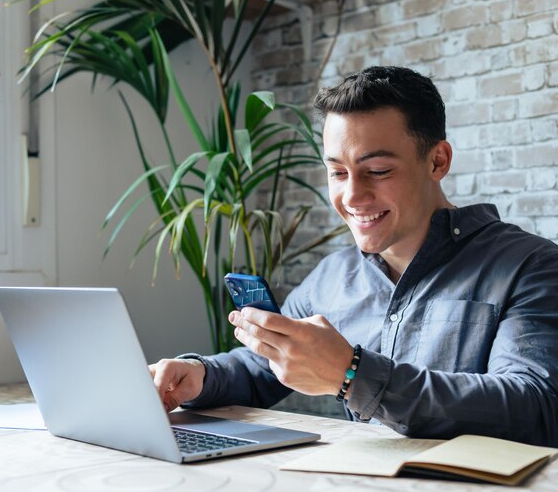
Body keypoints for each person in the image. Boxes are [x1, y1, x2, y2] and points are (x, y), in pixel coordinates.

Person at [150, 66, 558, 447]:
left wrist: (353, 374)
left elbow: (534, 405)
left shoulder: (532, 266)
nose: (351, 196)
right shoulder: (333, 275)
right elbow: (264, 365)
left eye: (377, 171)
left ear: (437, 161)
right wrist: (198, 376)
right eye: (337, 173)